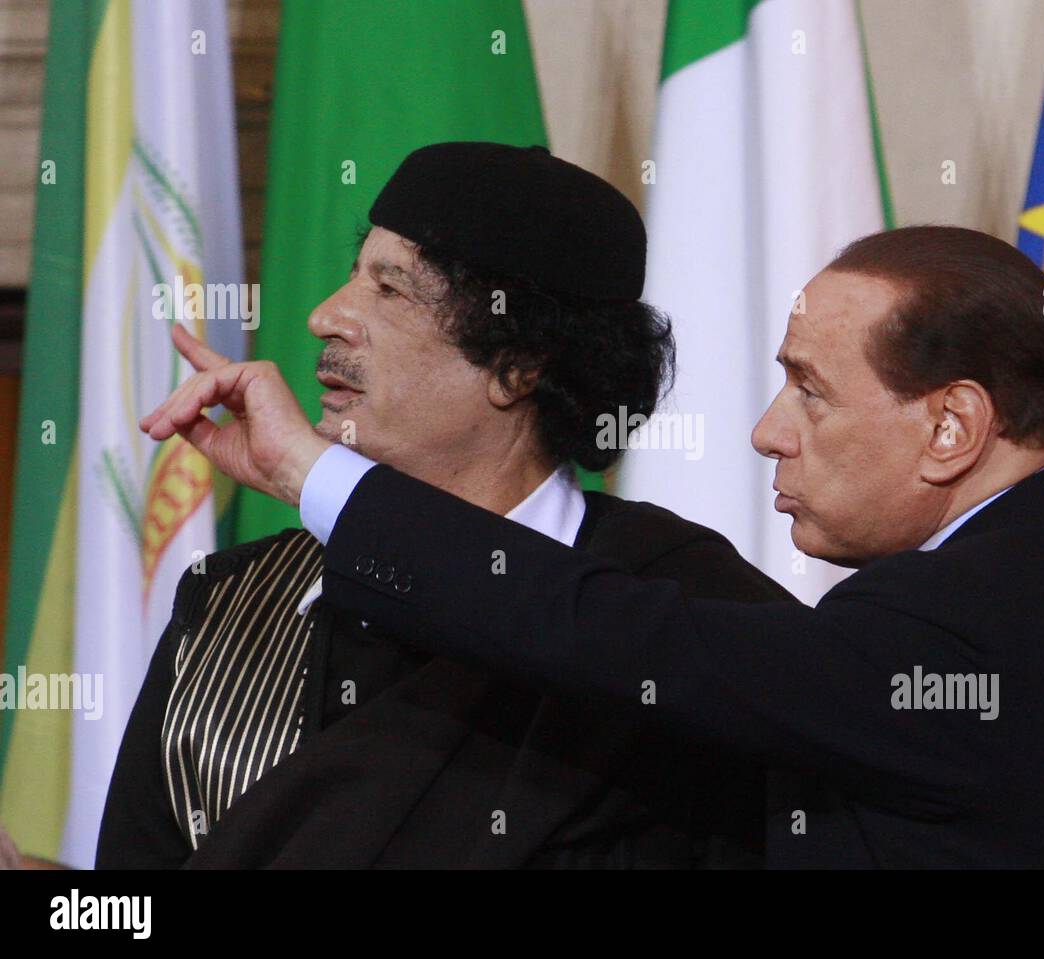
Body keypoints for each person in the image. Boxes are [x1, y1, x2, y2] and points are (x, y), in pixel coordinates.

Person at [142, 224, 1044, 868]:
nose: (764, 432)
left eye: (809, 391)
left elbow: (624, 634)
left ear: (952, 424)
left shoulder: (993, 613)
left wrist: (310, 472)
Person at [100, 142, 791, 869]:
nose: (324, 316)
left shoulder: (689, 615)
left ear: (518, 364)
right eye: (351, 274)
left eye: (390, 290)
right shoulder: (230, 608)